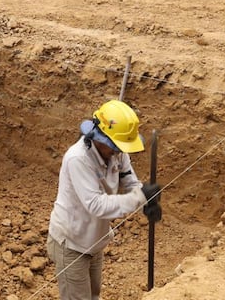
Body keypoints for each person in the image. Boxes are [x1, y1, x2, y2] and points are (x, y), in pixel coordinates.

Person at [46, 100, 161, 300]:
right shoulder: (78, 159)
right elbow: (96, 205)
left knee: (93, 296)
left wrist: (145, 200)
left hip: (94, 240)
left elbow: (128, 178)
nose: (118, 152)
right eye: (115, 146)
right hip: (71, 244)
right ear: (99, 137)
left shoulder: (116, 152)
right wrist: (139, 197)